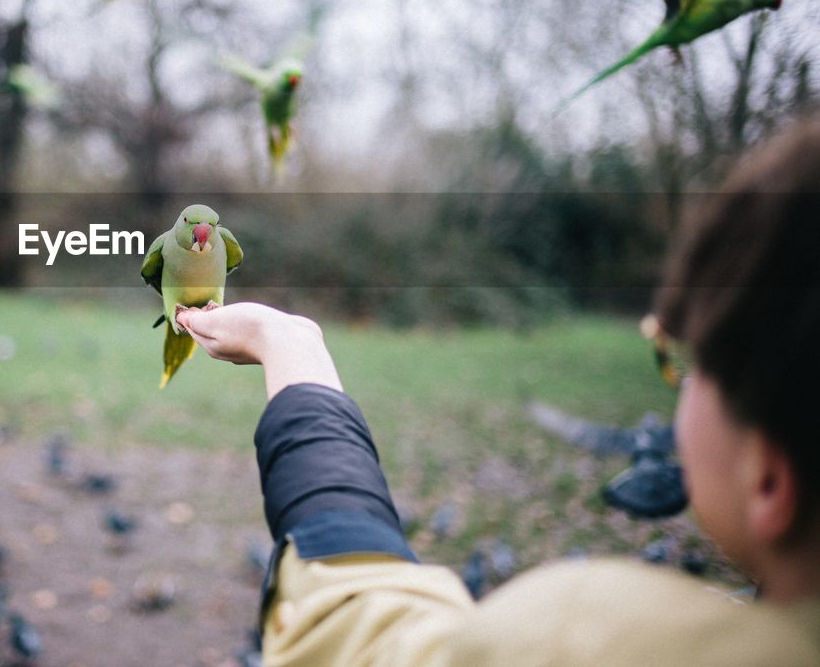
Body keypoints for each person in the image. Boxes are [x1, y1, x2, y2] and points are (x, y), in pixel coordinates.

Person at [174, 119, 820, 666]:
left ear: (767, 477)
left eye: (683, 359)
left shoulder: (606, 641)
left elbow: (353, 615)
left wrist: (289, 345)